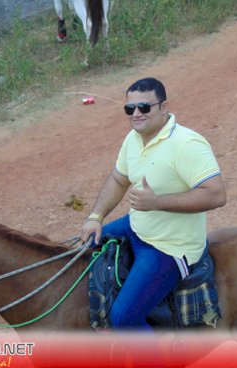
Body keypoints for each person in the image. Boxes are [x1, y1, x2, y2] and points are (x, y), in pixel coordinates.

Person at [80, 77, 227, 331]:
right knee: (82, 250)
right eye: (130, 109)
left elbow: (216, 194)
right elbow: (118, 178)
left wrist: (157, 202)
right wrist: (96, 216)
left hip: (170, 247)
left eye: (144, 107)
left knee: (124, 319)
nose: (136, 114)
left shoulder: (186, 144)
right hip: (136, 226)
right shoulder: (133, 140)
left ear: (164, 107)